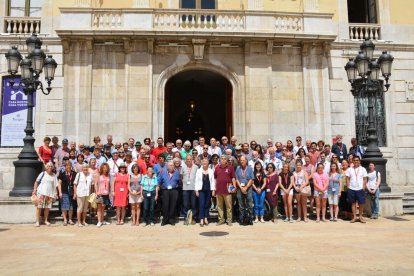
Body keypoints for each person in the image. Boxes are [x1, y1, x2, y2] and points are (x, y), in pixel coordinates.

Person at [32, 162, 58, 227]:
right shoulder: (43, 173)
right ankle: (37, 221)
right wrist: (34, 190)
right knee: (39, 207)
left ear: (52, 167)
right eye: (48, 166)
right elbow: (36, 181)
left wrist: (56, 193)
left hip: (50, 194)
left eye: (51, 166)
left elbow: (55, 185)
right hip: (41, 192)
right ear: (46, 167)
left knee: (47, 208)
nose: (50, 167)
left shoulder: (54, 175)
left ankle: (45, 220)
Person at [214, 155, 236, 226]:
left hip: (228, 190)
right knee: (220, 206)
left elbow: (233, 178)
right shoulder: (217, 168)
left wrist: (234, 187)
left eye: (224, 159)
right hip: (218, 190)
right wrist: (214, 189)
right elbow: (215, 178)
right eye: (222, 159)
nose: (223, 160)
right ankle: (221, 220)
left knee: (228, 206)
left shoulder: (230, 168)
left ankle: (229, 220)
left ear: (226, 160)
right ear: (220, 160)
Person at [346, 156, 368, 223]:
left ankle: (360, 216)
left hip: (360, 188)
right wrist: (348, 187)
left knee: (361, 203)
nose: (356, 161)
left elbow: (365, 179)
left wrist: (364, 187)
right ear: (352, 161)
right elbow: (347, 178)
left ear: (359, 161)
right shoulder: (349, 169)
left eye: (357, 160)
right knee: (353, 203)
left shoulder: (363, 169)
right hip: (352, 188)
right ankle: (354, 217)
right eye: (354, 160)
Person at [158, 161, 180, 226]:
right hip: (165, 190)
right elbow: (159, 181)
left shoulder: (177, 173)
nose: (172, 166)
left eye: (173, 165)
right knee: (165, 205)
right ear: (167, 166)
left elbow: (179, 182)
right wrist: (159, 187)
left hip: (174, 190)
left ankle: (171, 219)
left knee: (173, 205)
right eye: (170, 165)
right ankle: (165, 220)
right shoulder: (163, 172)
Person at [195, 158, 216, 227]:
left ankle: (206, 218)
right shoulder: (198, 171)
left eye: (206, 161)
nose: (205, 163)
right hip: (201, 190)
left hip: (208, 190)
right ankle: (201, 219)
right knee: (201, 204)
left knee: (207, 204)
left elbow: (213, 181)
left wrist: (213, 190)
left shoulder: (211, 171)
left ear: (208, 163)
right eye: (203, 161)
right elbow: (196, 181)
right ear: (201, 163)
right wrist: (196, 190)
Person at [235, 156, 254, 225]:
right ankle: (242, 219)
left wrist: (246, 187)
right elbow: (236, 179)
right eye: (241, 160)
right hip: (240, 188)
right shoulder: (237, 168)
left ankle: (250, 218)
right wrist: (241, 187)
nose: (242, 161)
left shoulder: (250, 169)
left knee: (249, 204)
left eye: (243, 160)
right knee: (241, 205)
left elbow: (251, 179)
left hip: (248, 188)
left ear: (246, 161)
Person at [58, 162, 77, 226]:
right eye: (67, 166)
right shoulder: (62, 174)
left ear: (71, 166)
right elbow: (59, 183)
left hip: (72, 192)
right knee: (64, 206)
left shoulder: (74, 173)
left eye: (69, 165)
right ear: (65, 166)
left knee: (71, 206)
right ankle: (65, 219)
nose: (68, 167)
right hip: (64, 192)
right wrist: (60, 192)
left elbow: (76, 184)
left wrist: (75, 193)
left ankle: (70, 219)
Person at [181, 155, 198, 225]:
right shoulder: (183, 167)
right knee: (185, 204)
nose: (189, 160)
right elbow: (181, 177)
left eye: (190, 159)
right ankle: (186, 218)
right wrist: (184, 183)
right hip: (185, 188)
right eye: (187, 159)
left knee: (194, 204)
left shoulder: (196, 167)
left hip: (193, 188)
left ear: (192, 160)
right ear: (186, 160)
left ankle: (193, 218)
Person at [95, 163, 111, 227]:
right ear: (101, 168)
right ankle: (99, 221)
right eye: (104, 168)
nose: (105, 169)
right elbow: (95, 184)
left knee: (103, 208)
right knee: (99, 208)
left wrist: (109, 192)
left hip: (106, 194)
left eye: (106, 168)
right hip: (100, 193)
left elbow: (109, 185)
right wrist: (96, 192)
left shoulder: (108, 175)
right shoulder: (98, 175)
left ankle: (102, 220)